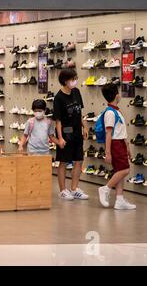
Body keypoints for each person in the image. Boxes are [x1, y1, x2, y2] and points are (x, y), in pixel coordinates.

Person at [53, 69, 89, 201]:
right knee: (63, 162)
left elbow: (79, 112)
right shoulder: (58, 98)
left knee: (79, 160)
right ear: (65, 81)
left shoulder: (77, 92)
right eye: (72, 79)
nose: (75, 81)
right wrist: (60, 138)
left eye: (75, 78)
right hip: (65, 134)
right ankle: (63, 190)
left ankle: (74, 189)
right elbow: (58, 120)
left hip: (77, 133)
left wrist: (84, 126)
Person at [98, 84, 136, 210]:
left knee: (120, 171)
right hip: (115, 144)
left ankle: (119, 200)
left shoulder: (116, 110)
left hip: (120, 143)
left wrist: (127, 146)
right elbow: (109, 133)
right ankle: (106, 188)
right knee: (125, 170)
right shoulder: (110, 113)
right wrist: (108, 152)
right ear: (116, 95)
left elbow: (121, 131)